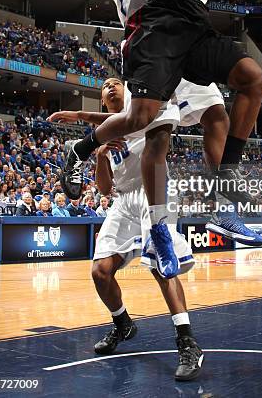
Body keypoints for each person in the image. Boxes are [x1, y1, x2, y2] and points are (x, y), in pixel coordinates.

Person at [48, 0, 262, 263]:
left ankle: (221, 203)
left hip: (183, 38)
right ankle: (156, 229)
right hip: (149, 42)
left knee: (219, 114)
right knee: (155, 135)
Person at [91, 76, 203, 381]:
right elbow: (104, 189)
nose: (111, 86)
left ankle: (187, 341)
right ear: (102, 98)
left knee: (160, 267)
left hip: (153, 190)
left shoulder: (140, 107)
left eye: (116, 81)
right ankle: (122, 323)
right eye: (105, 85)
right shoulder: (102, 132)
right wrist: (101, 156)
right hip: (123, 199)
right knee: (100, 271)